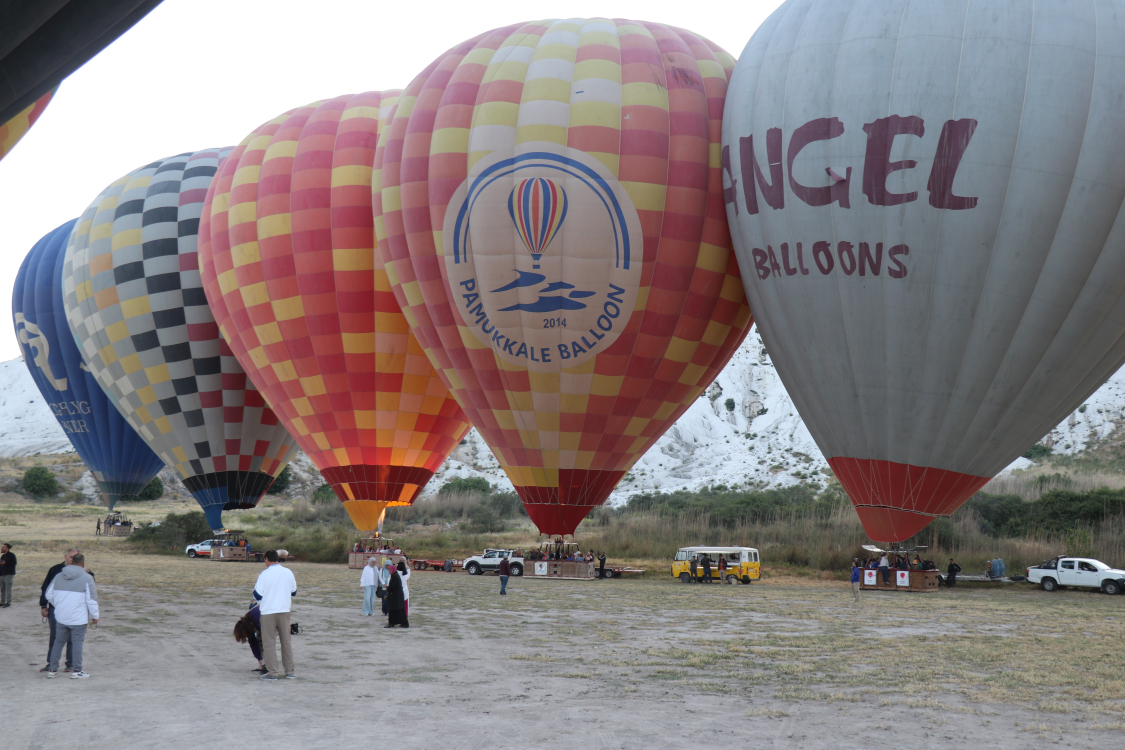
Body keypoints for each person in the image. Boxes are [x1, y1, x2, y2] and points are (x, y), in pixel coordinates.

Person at [44, 552, 98, 679]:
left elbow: (48, 595)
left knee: (58, 642)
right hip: (78, 618)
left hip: (61, 616)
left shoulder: (58, 575)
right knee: (77, 643)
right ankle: (77, 670)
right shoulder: (87, 577)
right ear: (83, 563)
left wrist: (59, 605)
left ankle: (52, 670)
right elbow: (91, 599)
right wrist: (95, 615)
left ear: (71, 562)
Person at [253, 550, 297, 680]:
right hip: (284, 611)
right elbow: (294, 592)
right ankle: (290, 671)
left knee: (269, 642)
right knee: (286, 641)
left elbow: (257, 595)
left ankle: (272, 672)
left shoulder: (265, 574)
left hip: (268, 612)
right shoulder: (288, 572)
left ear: (267, 559)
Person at [233, 604, 265, 674]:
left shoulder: (257, 619)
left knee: (265, 641)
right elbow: (252, 642)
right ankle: (264, 663)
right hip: (264, 620)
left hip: (274, 616)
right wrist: (259, 658)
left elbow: (268, 641)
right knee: (260, 640)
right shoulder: (247, 621)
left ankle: (268, 665)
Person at [384, 561, 408, 628]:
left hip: (396, 597)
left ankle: (393, 623)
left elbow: (393, 586)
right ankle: (394, 623)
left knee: (397, 610)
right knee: (397, 610)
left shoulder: (395, 577)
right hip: (396, 596)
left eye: (389, 570)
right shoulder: (395, 575)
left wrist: (388, 588)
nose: (389, 571)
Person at [0, 542, 16, 607]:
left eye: (3, 547)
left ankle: (8, 602)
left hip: (9, 574)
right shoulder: (2, 556)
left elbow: (14, 563)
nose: (1, 548)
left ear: (7, 548)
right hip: (2, 575)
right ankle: (2, 602)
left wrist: (6, 563)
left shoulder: (12, 555)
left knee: (8, 588)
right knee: (2, 589)